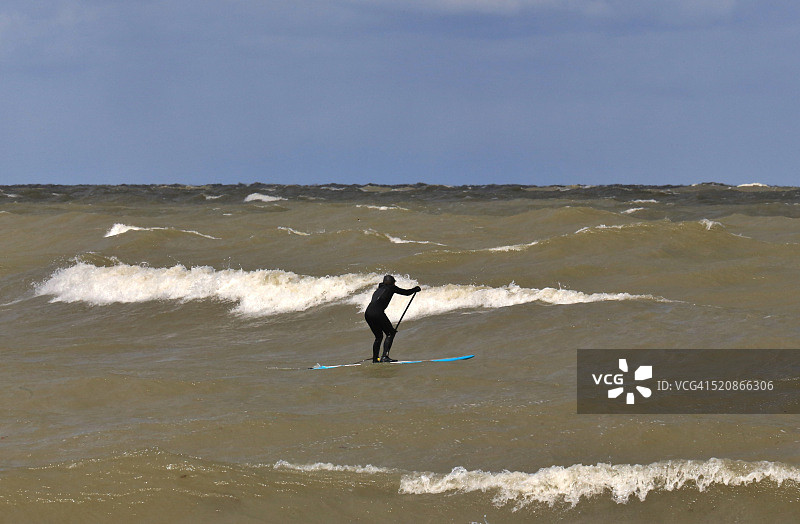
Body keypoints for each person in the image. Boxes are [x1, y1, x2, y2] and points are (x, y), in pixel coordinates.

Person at [365, 275, 420, 363]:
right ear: (392, 283)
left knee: (378, 337)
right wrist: (415, 289)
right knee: (390, 333)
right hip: (378, 313)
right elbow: (406, 293)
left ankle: (375, 359)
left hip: (368, 313)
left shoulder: (378, 289)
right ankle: (384, 357)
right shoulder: (391, 288)